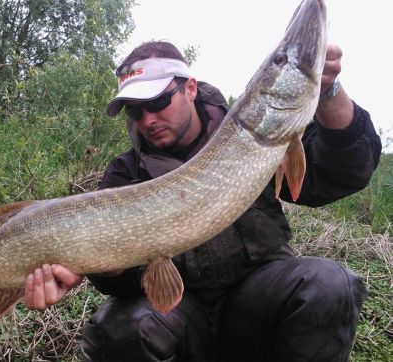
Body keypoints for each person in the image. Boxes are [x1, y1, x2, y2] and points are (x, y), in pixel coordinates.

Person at [23, 41, 382, 361]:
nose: (148, 119)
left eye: (158, 101)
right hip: (182, 317)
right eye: (135, 110)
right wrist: (98, 264)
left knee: (329, 284)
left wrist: (329, 90)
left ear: (190, 88)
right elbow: (120, 285)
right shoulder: (124, 174)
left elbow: (343, 174)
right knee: (118, 329)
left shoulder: (255, 134)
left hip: (257, 305)